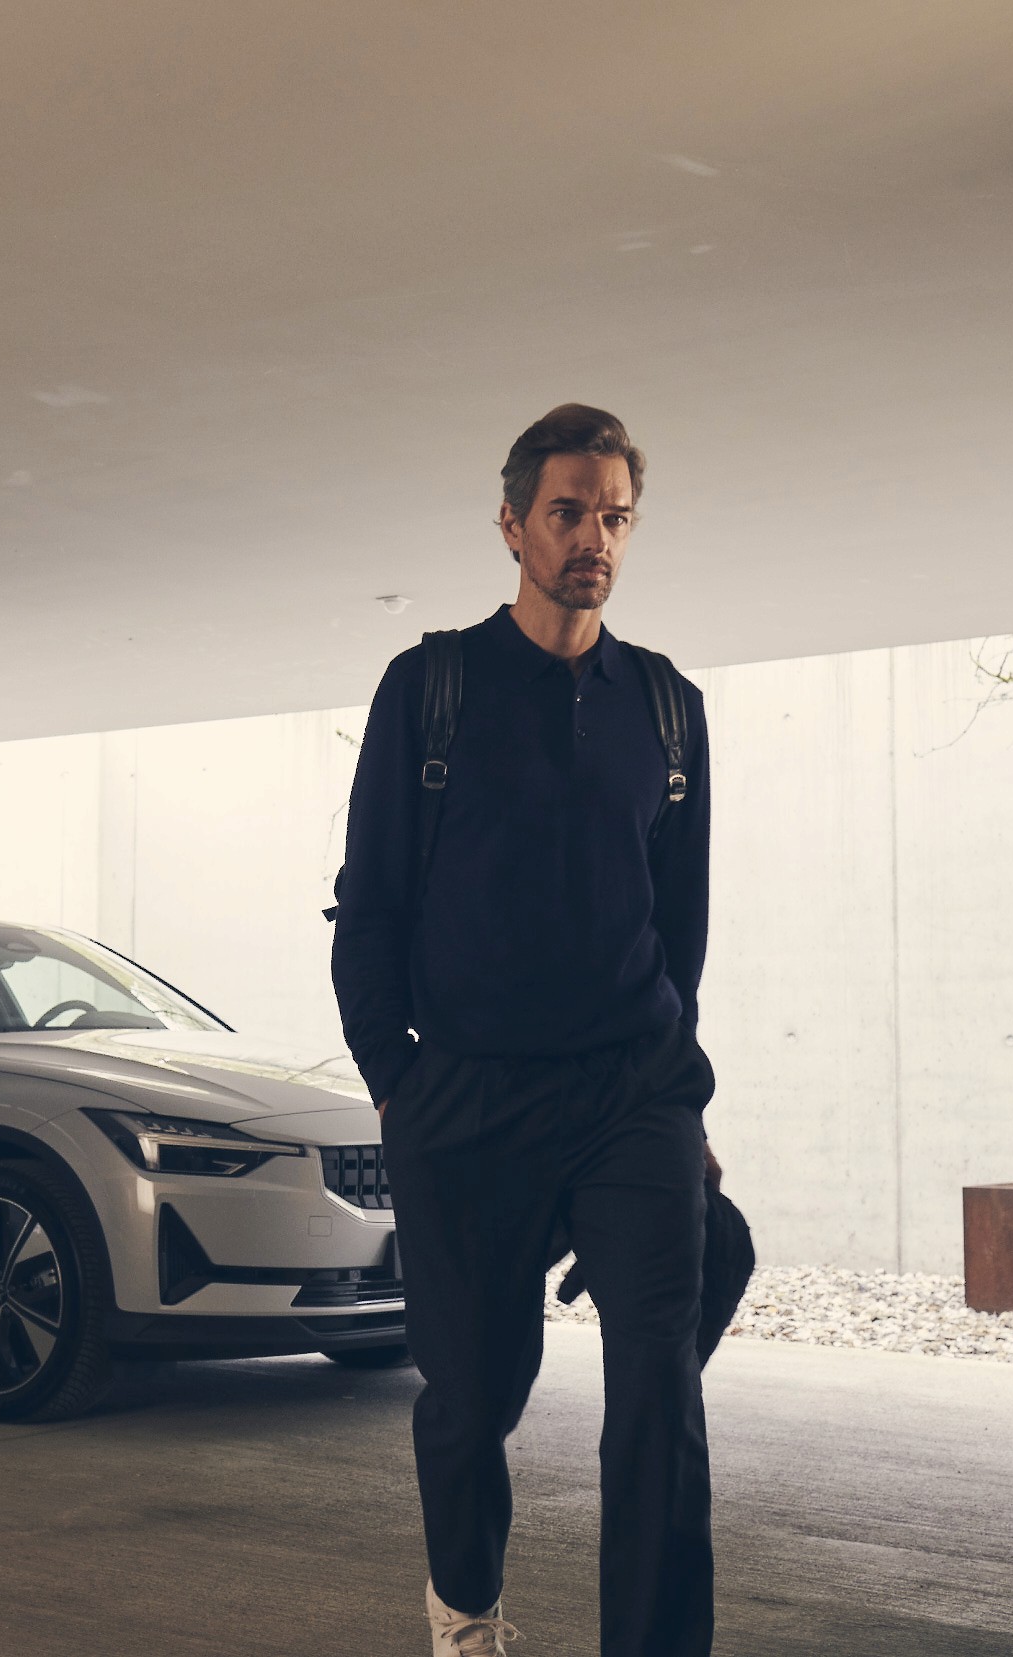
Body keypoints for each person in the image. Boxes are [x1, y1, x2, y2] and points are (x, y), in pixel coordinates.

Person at [331, 404, 718, 1656]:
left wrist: (679, 1095)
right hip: (469, 1100)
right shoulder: (430, 688)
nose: (592, 537)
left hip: (628, 1093)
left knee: (656, 1384)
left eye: (613, 515)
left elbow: (681, 921)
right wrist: (396, 1081)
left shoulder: (664, 708)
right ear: (511, 524)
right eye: (567, 511)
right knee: (469, 1398)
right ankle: (466, 1609)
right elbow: (370, 904)